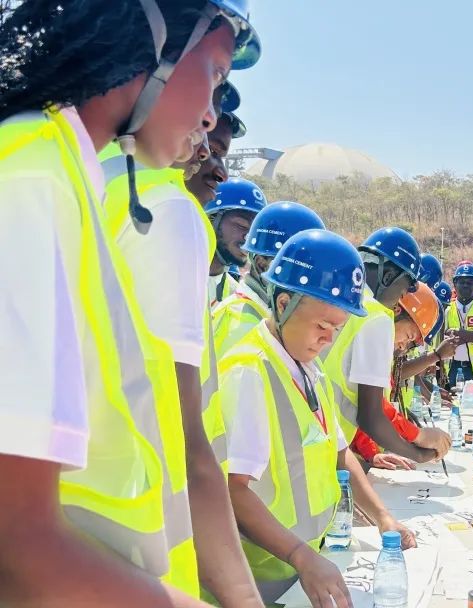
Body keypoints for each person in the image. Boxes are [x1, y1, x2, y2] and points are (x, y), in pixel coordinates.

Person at [0, 0, 258, 605]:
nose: (209, 115)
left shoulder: (60, 172)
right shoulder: (33, 179)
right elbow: (18, 544)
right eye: (216, 73)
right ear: (156, 37)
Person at [104, 81, 262, 605]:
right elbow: (187, 436)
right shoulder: (167, 210)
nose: (218, 170)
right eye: (207, 145)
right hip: (136, 531)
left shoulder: (91, 179)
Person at [219, 229, 415, 606]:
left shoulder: (309, 368)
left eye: (337, 329)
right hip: (260, 573)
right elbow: (234, 489)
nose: (328, 339)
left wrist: (382, 517)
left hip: (303, 565)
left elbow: (339, 453)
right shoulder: (250, 372)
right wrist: (300, 556)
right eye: (322, 326)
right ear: (283, 303)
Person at [321, 227, 441, 463]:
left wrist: (370, 453)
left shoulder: (345, 302)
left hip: (324, 442)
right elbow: (371, 415)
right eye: (404, 289)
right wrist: (418, 452)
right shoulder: (377, 317)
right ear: (388, 277)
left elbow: (346, 391)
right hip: (329, 450)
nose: (401, 297)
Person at [353, 283, 455, 467]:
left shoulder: (372, 327)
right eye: (408, 336)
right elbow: (372, 411)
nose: (402, 346)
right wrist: (418, 441)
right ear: (396, 310)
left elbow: (358, 401)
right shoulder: (377, 326)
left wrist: (371, 453)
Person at [212, 200, 326, 354]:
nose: (307, 281)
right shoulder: (242, 326)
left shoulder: (271, 319)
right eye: (298, 270)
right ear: (262, 264)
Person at [206, 177, 267, 306]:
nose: (248, 238)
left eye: (254, 232)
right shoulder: (172, 275)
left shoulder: (234, 292)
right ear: (211, 220)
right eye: (241, 226)